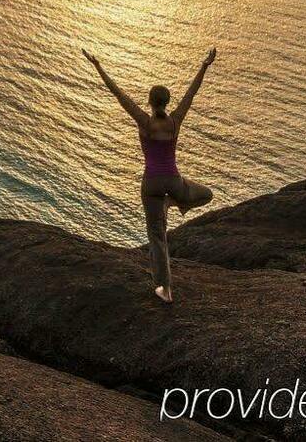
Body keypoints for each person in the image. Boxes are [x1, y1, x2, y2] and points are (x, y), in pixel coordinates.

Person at [82, 46, 217, 303]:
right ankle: (174, 203)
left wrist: (98, 65)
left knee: (157, 237)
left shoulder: (144, 122)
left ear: (150, 102)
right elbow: (192, 92)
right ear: (167, 102)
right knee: (206, 194)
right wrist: (204, 65)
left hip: (151, 184)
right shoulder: (176, 121)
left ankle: (165, 291)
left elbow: (117, 93)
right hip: (174, 181)